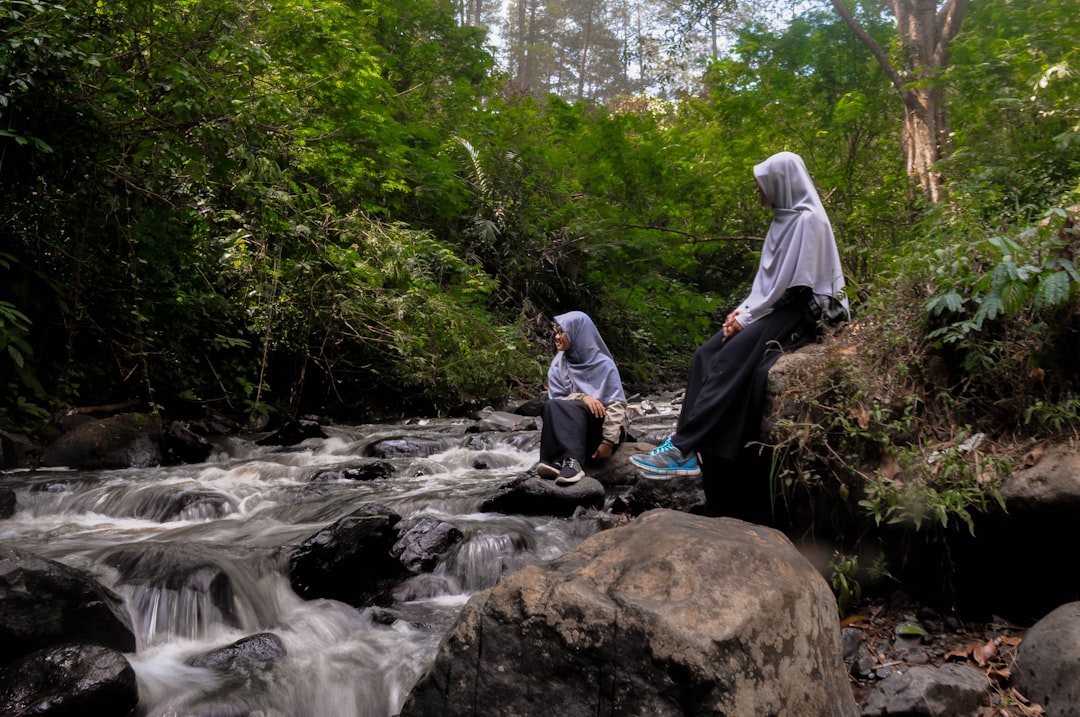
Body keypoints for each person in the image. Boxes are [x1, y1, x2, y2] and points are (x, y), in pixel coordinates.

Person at [629, 151, 848, 479]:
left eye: (763, 185)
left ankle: (684, 446)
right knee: (704, 356)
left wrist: (746, 319)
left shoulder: (808, 220)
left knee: (731, 358)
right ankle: (685, 449)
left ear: (781, 184)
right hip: (777, 305)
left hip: (806, 308)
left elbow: (795, 285)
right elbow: (767, 284)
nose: (759, 192)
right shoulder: (782, 221)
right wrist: (742, 311)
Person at [538, 311, 630, 485]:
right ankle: (553, 461)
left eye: (561, 332)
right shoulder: (558, 364)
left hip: (601, 428)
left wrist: (608, 442)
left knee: (571, 407)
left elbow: (617, 406)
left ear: (577, 333)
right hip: (573, 431)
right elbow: (557, 400)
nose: (556, 337)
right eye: (556, 332)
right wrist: (583, 397)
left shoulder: (603, 364)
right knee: (550, 405)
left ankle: (573, 464)